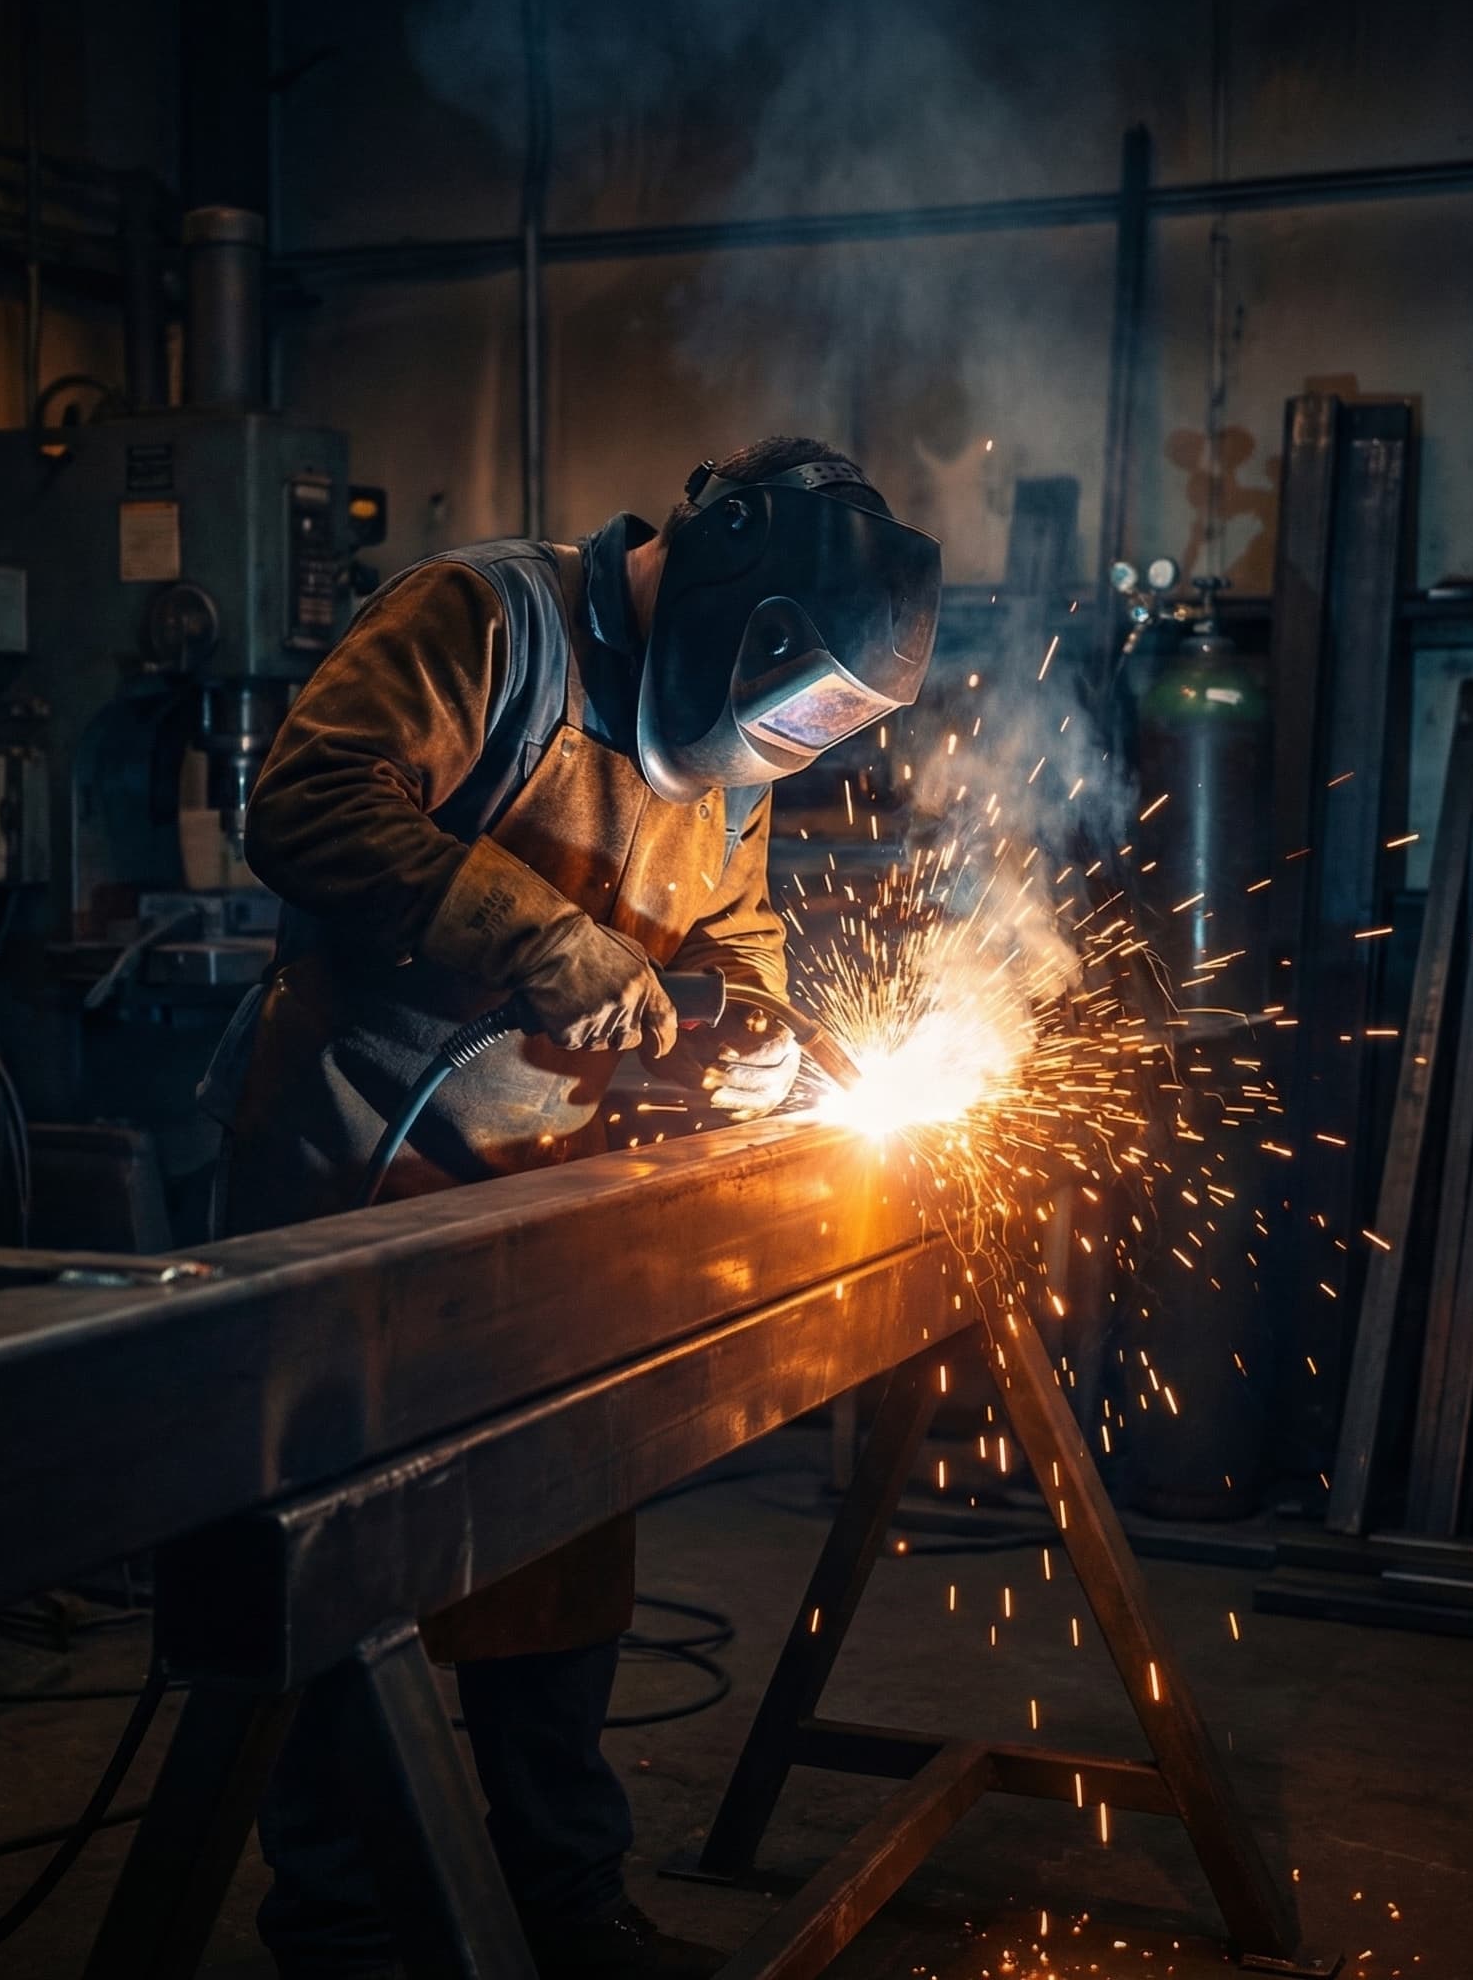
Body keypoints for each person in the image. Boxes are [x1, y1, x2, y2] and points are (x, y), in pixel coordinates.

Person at [202, 435, 941, 1978]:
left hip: (549, 1217)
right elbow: (309, 798)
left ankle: (563, 1901)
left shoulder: (729, 752)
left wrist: (754, 1037)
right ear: (732, 600)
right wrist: (537, 937)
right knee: (348, 1585)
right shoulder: (489, 622)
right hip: (357, 1191)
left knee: (559, 1555)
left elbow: (735, 935)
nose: (775, 753)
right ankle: (344, 1933)